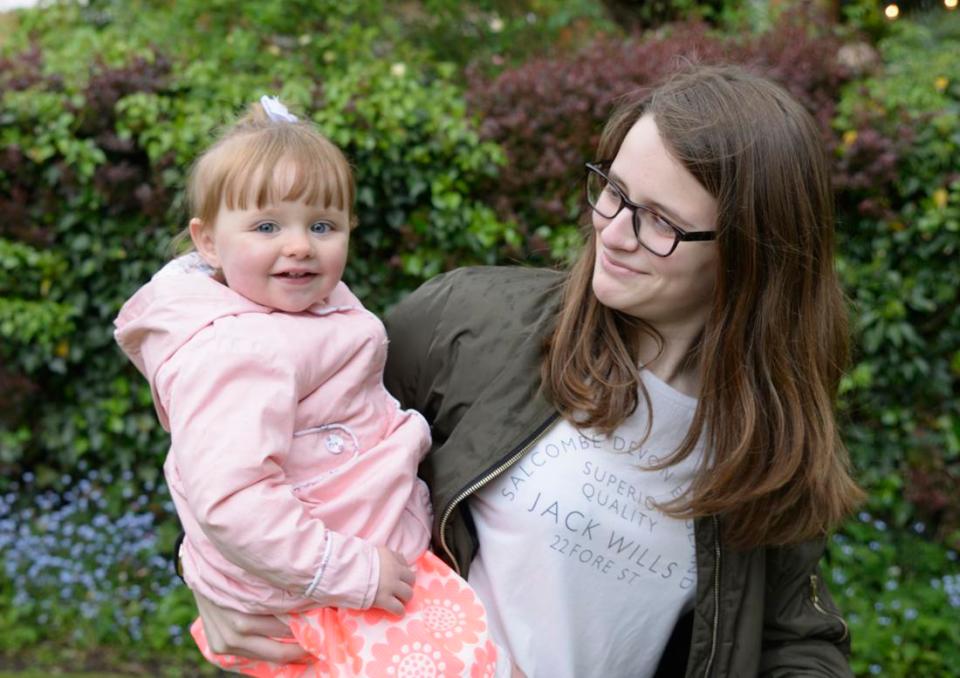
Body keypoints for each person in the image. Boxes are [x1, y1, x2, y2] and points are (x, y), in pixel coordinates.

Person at [183, 64, 864, 676]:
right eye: (613, 191)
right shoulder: (472, 324)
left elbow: (796, 638)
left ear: (751, 251)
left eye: (658, 221)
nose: (614, 232)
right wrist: (210, 578)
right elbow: (251, 441)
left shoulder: (762, 432)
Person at [114, 96, 513, 677]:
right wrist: (351, 572)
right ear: (206, 243)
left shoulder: (298, 314)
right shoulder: (236, 351)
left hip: (351, 570)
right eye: (267, 226)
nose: (300, 244)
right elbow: (232, 501)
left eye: (322, 225)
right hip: (326, 592)